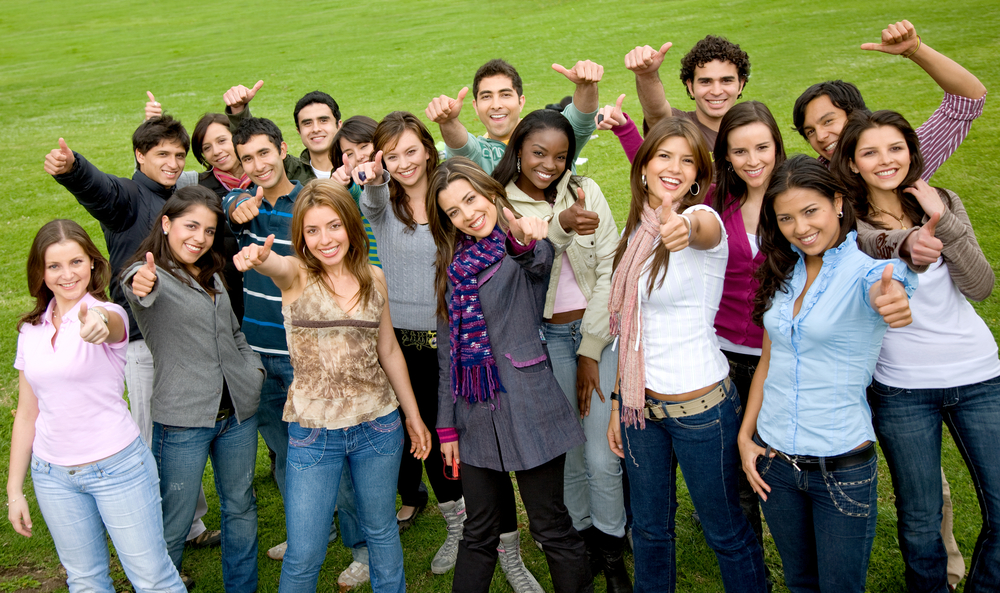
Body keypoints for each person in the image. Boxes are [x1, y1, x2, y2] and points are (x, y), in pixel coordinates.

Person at [232, 179, 432, 593]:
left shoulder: (374, 279)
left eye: (334, 226)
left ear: (351, 225)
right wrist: (259, 259)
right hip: (314, 432)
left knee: (380, 532)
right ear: (301, 238)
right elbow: (277, 267)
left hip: (378, 427)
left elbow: (390, 350)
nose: (325, 239)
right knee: (305, 553)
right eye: (312, 230)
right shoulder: (297, 276)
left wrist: (412, 416)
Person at [832, 110, 1000, 592]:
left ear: (911, 150)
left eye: (895, 148)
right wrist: (910, 241)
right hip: (903, 388)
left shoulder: (942, 200)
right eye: (870, 152)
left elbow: (981, 284)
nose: (885, 161)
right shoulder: (847, 220)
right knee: (921, 520)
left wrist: (942, 223)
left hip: (979, 375)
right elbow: (875, 242)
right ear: (853, 163)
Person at [738, 155, 916, 592]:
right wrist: (747, 436)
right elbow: (769, 360)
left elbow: (890, 288)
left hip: (841, 469)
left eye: (810, 211)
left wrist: (892, 298)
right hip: (775, 463)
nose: (800, 227)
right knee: (799, 582)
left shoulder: (869, 272)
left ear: (838, 202)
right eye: (786, 218)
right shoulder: (784, 272)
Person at [605, 116, 765, 593]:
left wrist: (682, 227)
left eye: (687, 160)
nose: (674, 168)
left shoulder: (705, 221)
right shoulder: (637, 228)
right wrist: (618, 402)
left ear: (699, 176)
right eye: (664, 156)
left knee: (726, 533)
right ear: (645, 165)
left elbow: (700, 231)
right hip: (641, 409)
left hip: (702, 413)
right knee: (651, 531)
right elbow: (631, 330)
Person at [427, 156, 591, 593]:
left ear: (491, 193)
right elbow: (449, 355)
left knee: (551, 527)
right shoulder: (450, 269)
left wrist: (522, 237)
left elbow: (538, 260)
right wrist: (446, 428)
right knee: (478, 533)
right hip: (474, 414)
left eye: (470, 200)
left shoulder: (521, 245)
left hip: (528, 404)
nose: (467, 215)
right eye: (453, 212)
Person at [491, 110, 628, 593]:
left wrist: (591, 348)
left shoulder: (587, 190)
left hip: (595, 337)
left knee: (602, 454)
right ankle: (584, 543)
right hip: (543, 341)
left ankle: (614, 555)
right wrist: (558, 226)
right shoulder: (499, 203)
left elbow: (612, 264)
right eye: (538, 153)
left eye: (561, 155)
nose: (550, 164)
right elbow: (517, 270)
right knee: (567, 454)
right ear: (518, 150)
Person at [9, 220, 187, 593]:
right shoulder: (32, 330)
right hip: (52, 475)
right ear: (40, 272)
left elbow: (111, 326)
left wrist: (97, 325)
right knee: (85, 581)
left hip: (117, 467)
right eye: (54, 265)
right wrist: (14, 490)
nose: (66, 274)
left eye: (75, 262)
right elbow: (27, 414)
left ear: (92, 263)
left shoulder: (108, 313)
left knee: (153, 579)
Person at [122, 187, 263, 592]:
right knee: (174, 518)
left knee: (241, 507)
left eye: (208, 230)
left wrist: (251, 370)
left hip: (236, 414)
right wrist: (142, 280)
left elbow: (234, 331)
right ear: (166, 224)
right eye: (190, 226)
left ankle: (242, 587)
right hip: (183, 422)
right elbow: (138, 287)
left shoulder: (212, 271)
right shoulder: (147, 274)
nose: (199, 238)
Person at [352, 110, 471, 572]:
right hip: (399, 345)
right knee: (418, 437)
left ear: (427, 147)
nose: (404, 163)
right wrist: (375, 178)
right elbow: (372, 199)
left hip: (453, 340)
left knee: (456, 436)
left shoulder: (450, 200)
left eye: (411, 151)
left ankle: (478, 520)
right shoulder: (381, 203)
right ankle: (456, 525)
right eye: (392, 154)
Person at [707, 100, 787, 566]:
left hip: (780, 358)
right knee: (737, 473)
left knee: (778, 469)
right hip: (722, 354)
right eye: (739, 151)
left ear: (777, 145)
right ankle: (751, 567)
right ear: (726, 157)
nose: (753, 160)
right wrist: (622, 131)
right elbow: (662, 175)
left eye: (762, 147)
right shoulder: (719, 200)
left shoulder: (797, 196)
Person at [793, 20, 987, 177]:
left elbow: (967, 99)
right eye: (810, 132)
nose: (820, 137)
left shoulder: (900, 156)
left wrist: (914, 49)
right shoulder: (814, 180)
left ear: (856, 116)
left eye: (828, 121)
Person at [426, 58, 602, 173]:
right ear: (475, 106)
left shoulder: (552, 135)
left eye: (505, 94)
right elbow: (461, 148)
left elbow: (581, 120)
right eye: (486, 96)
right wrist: (448, 121)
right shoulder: (480, 153)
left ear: (521, 101)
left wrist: (586, 85)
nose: (496, 105)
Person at [623, 35, 751, 149]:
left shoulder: (757, 133)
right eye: (705, 82)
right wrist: (647, 75)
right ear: (690, 86)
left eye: (726, 81)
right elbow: (656, 113)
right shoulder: (679, 129)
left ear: (741, 84)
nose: (716, 91)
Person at [223, 81, 341, 178]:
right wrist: (238, 108)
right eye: (307, 123)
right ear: (298, 131)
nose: (316, 129)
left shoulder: (356, 165)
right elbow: (249, 140)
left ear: (339, 126)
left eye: (323, 120)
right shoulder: (288, 170)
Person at [331, 114, 381, 267]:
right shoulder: (356, 194)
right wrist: (341, 187)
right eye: (349, 154)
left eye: (364, 146)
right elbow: (357, 198)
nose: (359, 157)